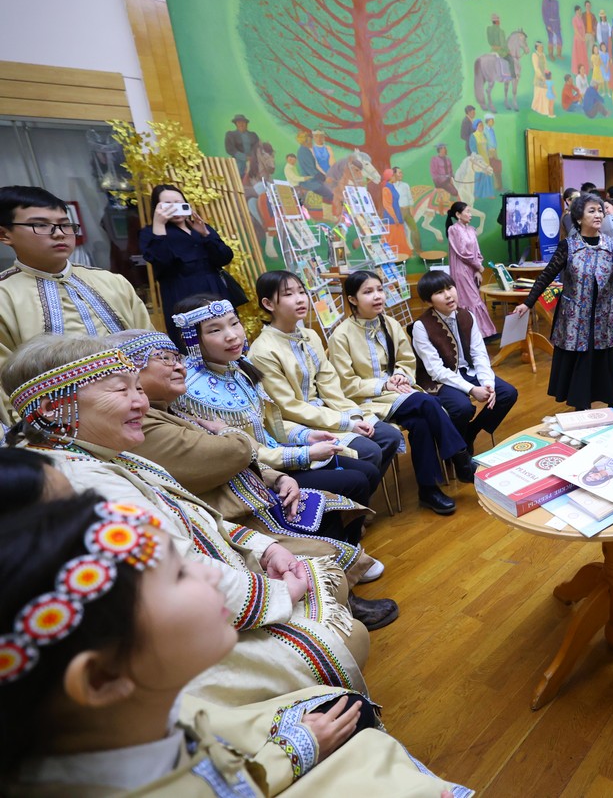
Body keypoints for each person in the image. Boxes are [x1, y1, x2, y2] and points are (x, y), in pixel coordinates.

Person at [0, 492, 470, 797]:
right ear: (102, 678)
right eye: (179, 575)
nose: (210, 573)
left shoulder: (127, 720)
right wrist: (291, 751)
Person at [2, 335, 372, 706]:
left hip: (227, 555)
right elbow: (173, 570)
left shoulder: (101, 450)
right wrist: (276, 594)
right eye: (120, 390)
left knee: (330, 567)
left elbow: (193, 513)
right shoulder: (77, 479)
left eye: (137, 388)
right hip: (173, 640)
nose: (139, 402)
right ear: (52, 408)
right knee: (350, 634)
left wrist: (265, 547)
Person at [105, 328, 399, 632]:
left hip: (261, 477)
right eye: (164, 359)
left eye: (234, 323)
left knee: (351, 483)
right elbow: (230, 452)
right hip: (235, 509)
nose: (232, 335)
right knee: (350, 484)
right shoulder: (179, 401)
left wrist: (280, 474)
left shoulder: (241, 373)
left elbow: (274, 425)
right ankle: (333, 604)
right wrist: (294, 453)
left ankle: (341, 593)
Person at [171, 296, 382, 510]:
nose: (232, 335)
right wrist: (305, 454)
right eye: (215, 330)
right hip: (254, 474)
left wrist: (306, 436)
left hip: (278, 453)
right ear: (191, 339)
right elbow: (238, 452)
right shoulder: (190, 391)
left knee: (369, 471)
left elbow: (268, 426)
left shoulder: (240, 367)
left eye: (234, 323)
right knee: (357, 480)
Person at [328, 270, 473, 512]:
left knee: (421, 422)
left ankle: (428, 489)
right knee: (427, 403)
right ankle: (461, 459)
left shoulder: (390, 324)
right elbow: (346, 384)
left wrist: (400, 375)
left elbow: (406, 360)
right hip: (366, 400)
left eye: (380, 290)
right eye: (368, 292)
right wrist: (383, 385)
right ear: (352, 299)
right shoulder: (341, 335)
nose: (377, 296)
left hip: (399, 394)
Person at [0, 186, 150, 418]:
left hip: (145, 412)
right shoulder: (4, 295)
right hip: (57, 425)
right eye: (40, 225)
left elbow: (151, 352)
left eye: (65, 224)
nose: (59, 233)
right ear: (4, 234)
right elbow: (5, 386)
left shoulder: (112, 282)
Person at [248, 271, 405, 491]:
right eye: (289, 294)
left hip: (328, 411)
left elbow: (329, 383)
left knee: (389, 436)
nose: (300, 299)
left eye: (301, 292)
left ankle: (360, 495)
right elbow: (288, 407)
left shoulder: (310, 335)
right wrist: (346, 423)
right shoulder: (263, 351)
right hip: (296, 422)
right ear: (268, 304)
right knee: (369, 451)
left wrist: (352, 415)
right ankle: (352, 498)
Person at [515, 193, 613, 409]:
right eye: (592, 211)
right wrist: (527, 303)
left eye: (600, 211)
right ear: (579, 218)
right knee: (582, 364)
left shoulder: (611, 245)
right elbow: (546, 276)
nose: (598, 215)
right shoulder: (568, 246)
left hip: (604, 318)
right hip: (576, 319)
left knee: (606, 362)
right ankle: (581, 407)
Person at [412, 271, 517, 453]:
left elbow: (479, 353)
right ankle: (456, 450)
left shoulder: (467, 315)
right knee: (462, 408)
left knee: (507, 393)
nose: (448, 295)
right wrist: (472, 389)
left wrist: (488, 383)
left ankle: (471, 432)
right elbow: (435, 370)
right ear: (429, 302)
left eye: (450, 288)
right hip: (439, 379)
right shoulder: (421, 326)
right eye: (439, 292)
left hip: (466, 371)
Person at [140, 183, 237, 342]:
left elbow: (225, 257)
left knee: (228, 334)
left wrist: (205, 234)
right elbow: (162, 261)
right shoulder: (150, 233)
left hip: (215, 290)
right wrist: (159, 226)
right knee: (193, 341)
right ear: (157, 208)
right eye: (168, 205)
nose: (175, 208)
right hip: (181, 294)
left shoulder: (200, 227)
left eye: (178, 203)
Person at [445, 201, 497, 340]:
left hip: (472, 269)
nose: (470, 215)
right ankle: (475, 335)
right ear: (458, 214)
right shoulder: (454, 230)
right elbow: (462, 252)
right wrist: (478, 266)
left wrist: (477, 269)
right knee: (470, 301)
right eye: (467, 212)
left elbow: (476, 251)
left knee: (475, 299)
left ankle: (484, 332)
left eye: (470, 211)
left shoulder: (471, 229)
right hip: (461, 271)